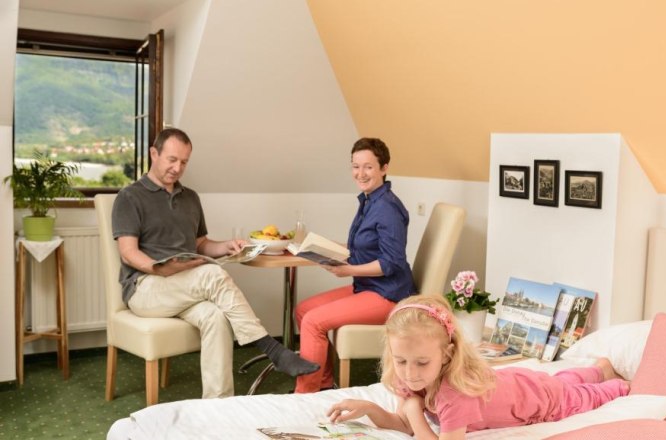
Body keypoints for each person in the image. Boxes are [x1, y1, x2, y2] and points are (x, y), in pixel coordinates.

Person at [112, 127, 319, 399]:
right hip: (146, 289)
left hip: (185, 287)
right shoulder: (130, 197)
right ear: (154, 153)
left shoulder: (190, 198)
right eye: (172, 160)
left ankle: (218, 404)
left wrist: (226, 246)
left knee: (217, 317)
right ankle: (272, 349)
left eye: (184, 162)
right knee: (211, 273)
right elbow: (128, 252)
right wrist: (158, 268)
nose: (177, 168)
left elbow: (200, 244)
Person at [327, 295, 629, 439]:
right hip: (517, 382)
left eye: (422, 362)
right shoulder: (410, 377)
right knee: (562, 379)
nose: (409, 372)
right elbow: (404, 424)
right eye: (400, 360)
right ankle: (597, 368)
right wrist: (369, 408)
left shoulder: (454, 393)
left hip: (537, 400)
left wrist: (414, 410)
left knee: (579, 394)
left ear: (447, 355)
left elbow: (413, 421)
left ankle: (616, 381)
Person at [294, 137, 416, 393]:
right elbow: (363, 247)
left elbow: (391, 262)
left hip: (388, 294)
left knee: (314, 321)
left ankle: (305, 395)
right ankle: (323, 385)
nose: (360, 173)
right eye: (355, 166)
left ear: (384, 168)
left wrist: (348, 270)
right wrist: (323, 247)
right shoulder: (369, 201)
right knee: (304, 310)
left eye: (368, 167)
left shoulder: (387, 208)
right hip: (367, 286)